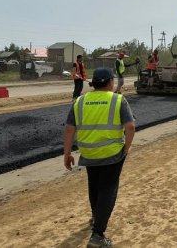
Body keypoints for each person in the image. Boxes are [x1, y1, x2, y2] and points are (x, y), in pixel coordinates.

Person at [63, 68, 136, 248]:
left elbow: (69, 129)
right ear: (111, 82)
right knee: (108, 191)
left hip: (88, 153)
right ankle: (97, 235)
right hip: (112, 154)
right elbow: (130, 127)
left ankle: (96, 216)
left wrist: (67, 153)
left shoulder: (79, 101)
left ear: (94, 83)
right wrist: (126, 148)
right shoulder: (118, 100)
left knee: (94, 186)